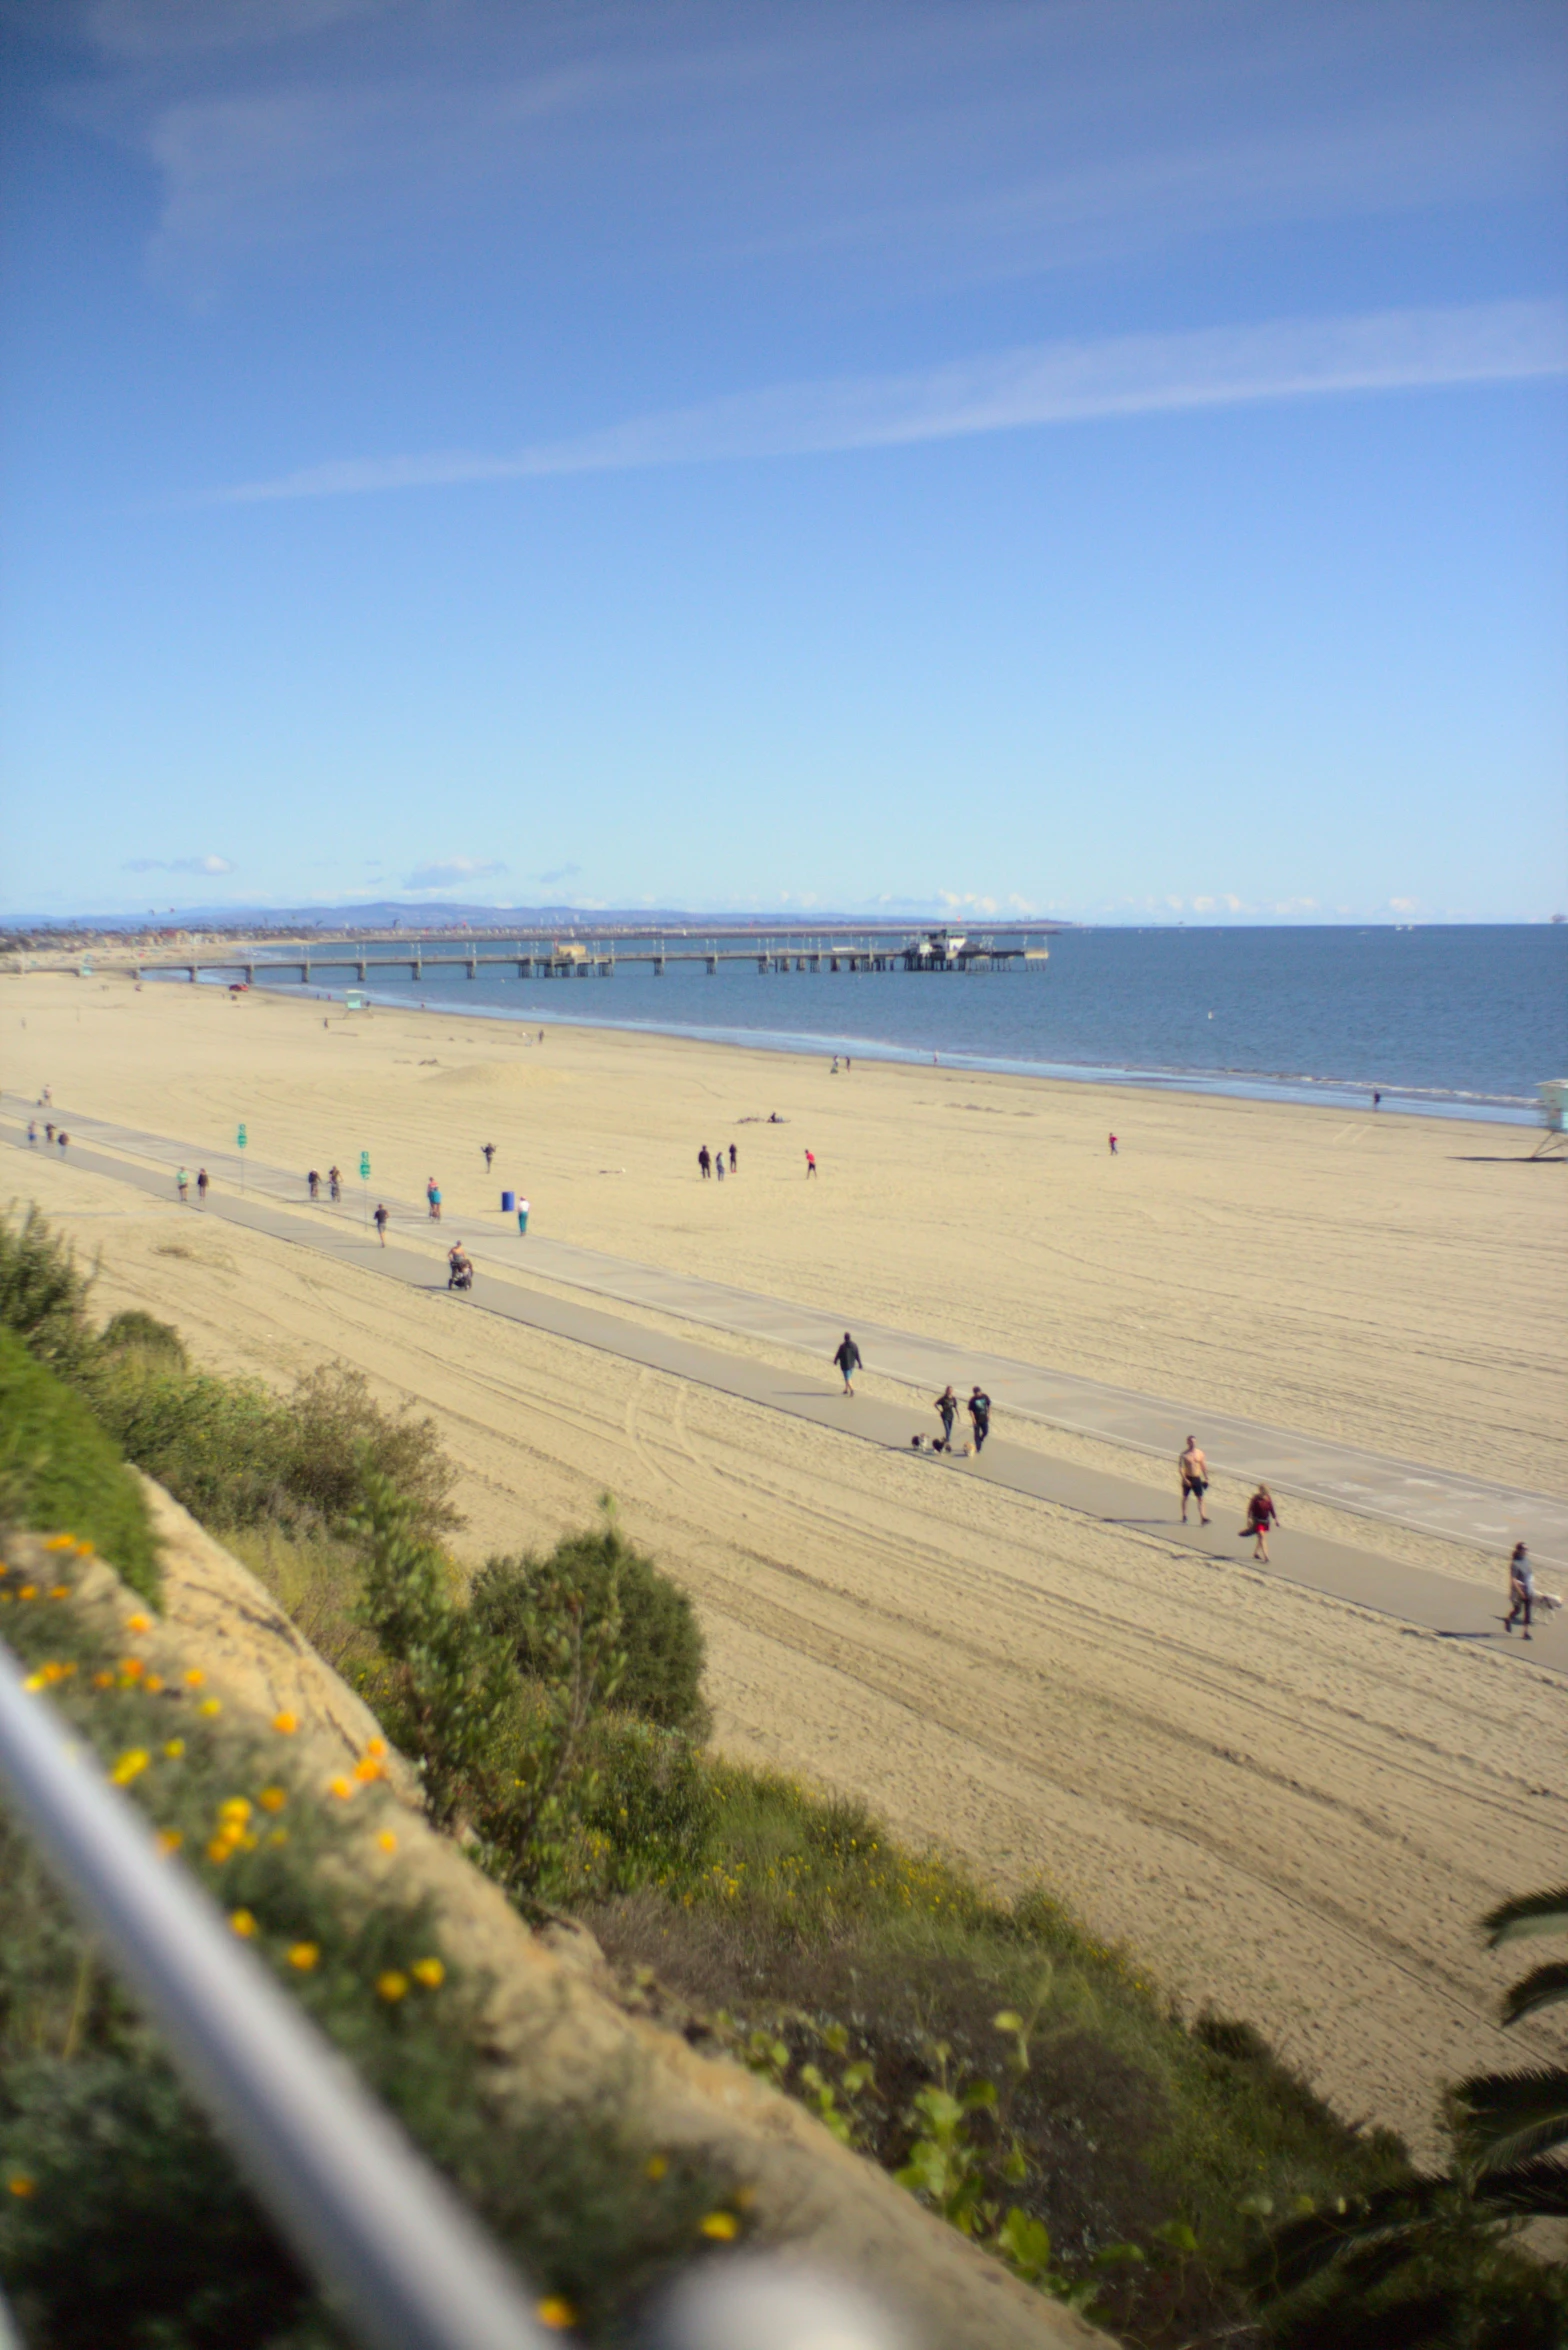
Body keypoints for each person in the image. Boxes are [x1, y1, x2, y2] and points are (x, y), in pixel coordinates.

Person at [1505, 1542, 1535, 1640]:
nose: (1526, 1551)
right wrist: (1520, 1592)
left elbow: (1530, 1574)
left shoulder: (1527, 1561)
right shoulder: (1515, 1563)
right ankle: (1508, 1619)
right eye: (1524, 1549)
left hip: (1528, 1589)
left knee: (1528, 1611)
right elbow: (1513, 1579)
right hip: (1518, 1591)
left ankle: (1525, 1633)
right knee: (1518, 1610)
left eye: (1527, 1549)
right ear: (1519, 1550)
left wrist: (1531, 1586)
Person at [1241, 1484, 1279, 1562]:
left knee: (1261, 1538)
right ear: (1260, 1490)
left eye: (1266, 1492)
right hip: (1257, 1521)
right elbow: (1250, 1508)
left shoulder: (1268, 1498)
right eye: (1264, 1491)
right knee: (1262, 1536)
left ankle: (1256, 1553)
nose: (1265, 1493)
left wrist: (1276, 1519)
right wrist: (1248, 1519)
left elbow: (1271, 1509)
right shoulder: (1255, 1498)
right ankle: (1266, 1556)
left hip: (1265, 1521)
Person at [1178, 1436, 1210, 1525]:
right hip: (1188, 1477)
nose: (1193, 1443)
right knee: (1185, 1497)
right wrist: (1184, 1479)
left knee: (1200, 1498)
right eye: (1191, 1442)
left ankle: (1203, 1517)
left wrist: (1206, 1478)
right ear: (1188, 1443)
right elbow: (1181, 1468)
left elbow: (1203, 1466)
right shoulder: (1184, 1455)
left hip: (1197, 1478)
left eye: (1194, 1442)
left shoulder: (1200, 1453)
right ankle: (1184, 1515)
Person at [967, 1385, 992, 1453]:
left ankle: (981, 1439)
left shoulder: (985, 1397)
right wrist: (973, 1419)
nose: (977, 1394)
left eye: (978, 1392)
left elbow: (989, 1405)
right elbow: (970, 1410)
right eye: (975, 1393)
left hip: (984, 1418)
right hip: (976, 1420)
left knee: (986, 1432)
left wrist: (989, 1414)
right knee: (976, 1435)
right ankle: (978, 1448)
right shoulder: (972, 1400)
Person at [935, 1384, 958, 1450]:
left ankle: (946, 1441)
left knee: (950, 1430)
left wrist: (958, 1416)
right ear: (946, 1391)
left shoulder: (953, 1399)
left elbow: (955, 1407)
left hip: (951, 1415)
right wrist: (940, 1411)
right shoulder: (943, 1398)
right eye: (949, 1390)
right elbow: (935, 1404)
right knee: (947, 1430)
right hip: (944, 1415)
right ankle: (947, 1442)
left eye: (951, 1390)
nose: (950, 1391)